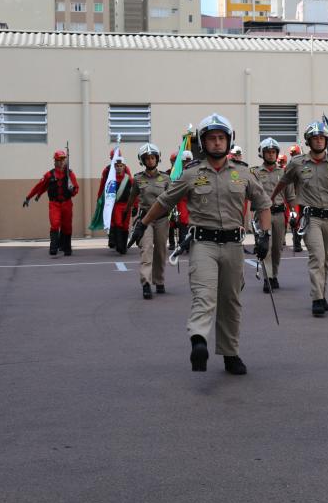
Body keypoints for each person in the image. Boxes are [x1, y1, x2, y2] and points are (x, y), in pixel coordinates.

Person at [130, 113, 271, 375]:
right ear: (202, 143)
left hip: (233, 246)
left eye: (221, 138)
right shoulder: (191, 173)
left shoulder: (244, 174)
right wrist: (143, 224)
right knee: (204, 295)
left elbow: (263, 204)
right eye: (211, 139)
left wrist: (265, 235)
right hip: (202, 244)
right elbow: (164, 201)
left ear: (229, 141)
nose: (217, 143)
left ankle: (230, 353)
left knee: (231, 301)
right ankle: (199, 342)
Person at [273, 122, 328, 317]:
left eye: (322, 138)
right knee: (317, 256)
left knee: (326, 259)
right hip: (310, 217)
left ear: (326, 141)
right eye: (315, 138)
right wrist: (271, 197)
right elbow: (283, 181)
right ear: (308, 141)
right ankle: (317, 299)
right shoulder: (297, 163)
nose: (318, 141)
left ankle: (322, 295)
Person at [125, 143, 171, 299]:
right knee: (146, 249)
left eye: (153, 158)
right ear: (142, 161)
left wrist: (175, 214)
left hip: (162, 219)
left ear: (157, 159)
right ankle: (146, 283)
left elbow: (171, 197)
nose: (150, 161)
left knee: (160, 250)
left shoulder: (165, 178)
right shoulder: (138, 179)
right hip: (145, 219)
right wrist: (128, 209)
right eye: (147, 158)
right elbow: (132, 196)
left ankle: (159, 280)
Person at [252, 138, 294, 293]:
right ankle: (267, 278)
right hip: (263, 214)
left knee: (277, 248)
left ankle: (274, 274)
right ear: (262, 154)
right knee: (265, 247)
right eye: (268, 152)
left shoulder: (284, 173)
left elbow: (290, 196)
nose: (270, 155)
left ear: (277, 154)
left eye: (273, 152)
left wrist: (294, 213)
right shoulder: (255, 173)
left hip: (279, 214)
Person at [23, 149, 80, 256]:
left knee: (67, 226)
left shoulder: (70, 174)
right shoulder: (49, 175)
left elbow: (76, 188)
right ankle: (53, 247)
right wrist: (28, 197)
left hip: (67, 203)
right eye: (59, 160)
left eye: (63, 159)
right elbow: (38, 187)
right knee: (55, 224)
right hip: (54, 204)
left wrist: (72, 190)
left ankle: (66, 247)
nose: (61, 162)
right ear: (55, 161)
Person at [97, 154, 133, 254]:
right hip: (116, 205)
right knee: (117, 223)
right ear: (114, 167)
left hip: (127, 205)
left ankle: (123, 246)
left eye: (121, 166)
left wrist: (135, 205)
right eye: (117, 166)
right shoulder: (111, 179)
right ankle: (119, 245)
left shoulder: (129, 179)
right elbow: (105, 191)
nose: (119, 167)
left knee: (125, 225)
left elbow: (134, 193)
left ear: (124, 167)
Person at [287, 144, 305, 253]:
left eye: (296, 154)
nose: (294, 156)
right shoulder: (290, 166)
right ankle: (296, 242)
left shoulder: (304, 164)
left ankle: (298, 240)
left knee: (302, 221)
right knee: (295, 220)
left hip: (303, 197)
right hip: (293, 198)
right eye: (293, 154)